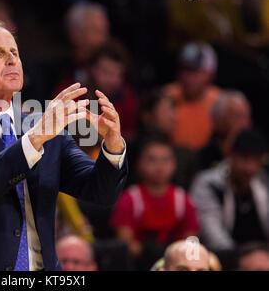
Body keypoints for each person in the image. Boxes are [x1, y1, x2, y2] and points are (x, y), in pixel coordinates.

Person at [0, 22, 128, 271]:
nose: (11, 60)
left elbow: (100, 192)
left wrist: (113, 144)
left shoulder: (46, 128)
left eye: (14, 52)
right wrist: (35, 138)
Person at [109, 136, 200, 268]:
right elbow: (125, 246)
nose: (160, 166)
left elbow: (191, 245)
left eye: (165, 160)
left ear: (174, 164)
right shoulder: (129, 199)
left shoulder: (184, 200)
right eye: (152, 160)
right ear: (139, 164)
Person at [191, 129, 269, 253]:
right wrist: (239, 258)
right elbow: (212, 234)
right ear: (231, 155)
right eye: (244, 158)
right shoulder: (209, 183)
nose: (250, 167)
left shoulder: (263, 183)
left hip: (262, 255)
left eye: (256, 160)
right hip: (224, 256)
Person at [127, 88, 198, 189]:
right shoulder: (129, 149)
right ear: (147, 115)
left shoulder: (183, 152)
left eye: (174, 110)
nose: (174, 117)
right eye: (166, 110)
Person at [164, 42, 221, 150]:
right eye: (183, 70)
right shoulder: (166, 97)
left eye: (194, 71)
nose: (186, 77)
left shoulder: (221, 102)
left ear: (211, 74)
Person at [197, 90, 252, 170]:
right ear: (218, 120)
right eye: (237, 117)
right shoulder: (203, 158)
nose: (245, 124)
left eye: (247, 117)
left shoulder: (258, 153)